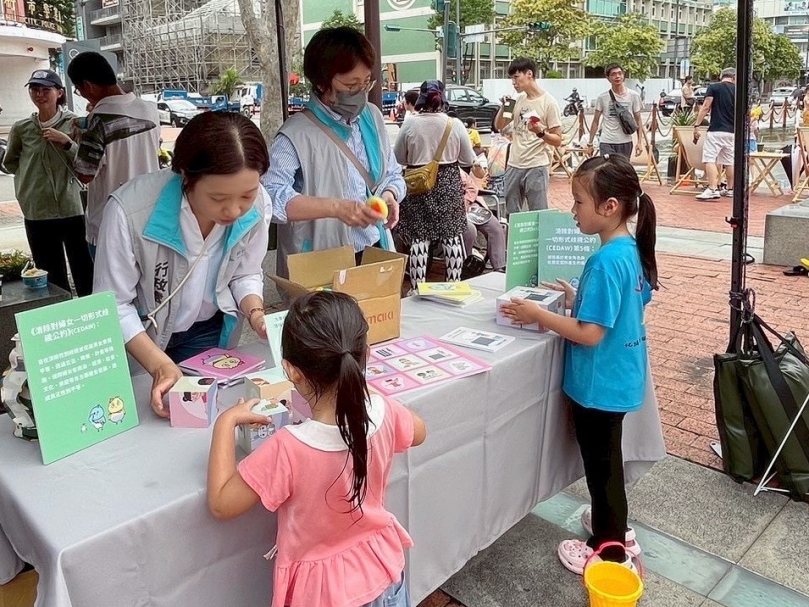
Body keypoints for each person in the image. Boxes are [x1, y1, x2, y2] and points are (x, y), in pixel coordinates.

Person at [207, 291, 427, 607]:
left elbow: (221, 503)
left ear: (291, 370)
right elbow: (419, 432)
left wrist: (225, 422)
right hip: (384, 574)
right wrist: (365, 392)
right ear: (365, 355)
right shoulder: (385, 412)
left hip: (323, 594)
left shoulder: (288, 448)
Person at [500, 154, 657, 574]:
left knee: (602, 471)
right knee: (608, 466)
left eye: (578, 202)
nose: (572, 211)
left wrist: (538, 314)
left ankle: (609, 550)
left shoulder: (605, 261)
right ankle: (615, 527)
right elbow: (631, 303)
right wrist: (578, 299)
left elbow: (590, 334)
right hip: (620, 378)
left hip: (599, 385)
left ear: (610, 206)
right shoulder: (629, 251)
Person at [93, 112, 272, 418]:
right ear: (186, 176)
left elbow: (245, 272)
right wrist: (159, 364)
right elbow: (113, 304)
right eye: (218, 198)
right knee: (142, 419)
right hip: (141, 337)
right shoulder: (130, 211)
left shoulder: (258, 205)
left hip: (207, 332)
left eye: (246, 195)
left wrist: (255, 312)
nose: (234, 210)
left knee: (201, 419)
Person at [263, 27, 404, 276]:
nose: (360, 93)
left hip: (374, 249)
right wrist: (335, 208)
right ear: (321, 82)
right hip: (321, 262)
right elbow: (270, 197)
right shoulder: (295, 134)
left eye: (366, 82)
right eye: (351, 85)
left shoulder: (372, 118)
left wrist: (390, 194)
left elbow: (391, 173)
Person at [2, 70, 94, 296]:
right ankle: (59, 312)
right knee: (50, 273)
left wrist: (67, 143)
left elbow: (88, 164)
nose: (39, 95)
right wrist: (30, 182)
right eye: (35, 90)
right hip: (38, 210)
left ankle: (90, 311)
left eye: (46, 90)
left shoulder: (76, 124)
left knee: (84, 267)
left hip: (73, 208)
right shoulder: (22, 128)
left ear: (59, 93)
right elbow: (10, 163)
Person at [68, 52, 161, 258]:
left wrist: (74, 141)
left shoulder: (98, 120)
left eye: (78, 90)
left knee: (109, 279)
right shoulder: (150, 110)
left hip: (109, 225)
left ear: (88, 86)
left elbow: (85, 174)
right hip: (148, 217)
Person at [394, 80, 476, 290]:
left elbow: (398, 157)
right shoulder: (454, 124)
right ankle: (453, 287)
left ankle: (417, 289)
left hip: (418, 184)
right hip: (448, 184)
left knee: (419, 239)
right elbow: (468, 159)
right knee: (452, 237)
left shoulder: (410, 123)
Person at [494, 57, 562, 214]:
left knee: (538, 213)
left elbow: (558, 139)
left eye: (516, 77)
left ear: (529, 74)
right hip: (514, 164)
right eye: (512, 78)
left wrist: (540, 132)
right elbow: (499, 125)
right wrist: (504, 107)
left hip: (536, 165)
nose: (513, 82)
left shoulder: (549, 102)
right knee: (511, 212)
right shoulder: (517, 100)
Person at [693, 67, 736, 200]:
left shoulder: (714, 87)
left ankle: (712, 188)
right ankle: (730, 189)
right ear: (734, 77)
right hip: (732, 131)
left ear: (721, 76)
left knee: (710, 159)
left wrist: (697, 124)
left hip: (716, 129)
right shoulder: (738, 90)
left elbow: (706, 106)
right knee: (729, 161)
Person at [587, 64, 647, 159]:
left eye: (620, 73)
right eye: (613, 74)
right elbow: (595, 121)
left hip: (625, 142)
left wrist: (639, 142)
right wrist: (590, 143)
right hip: (607, 142)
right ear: (608, 78)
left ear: (623, 75)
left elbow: (638, 120)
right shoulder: (602, 97)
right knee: (607, 167)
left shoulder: (633, 95)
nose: (617, 76)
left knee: (622, 168)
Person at [460, 165, 506, 272]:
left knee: (495, 228)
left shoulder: (457, 169)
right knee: (470, 230)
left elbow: (472, 187)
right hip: (452, 210)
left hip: (471, 204)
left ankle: (499, 267)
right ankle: (465, 268)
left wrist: (467, 200)